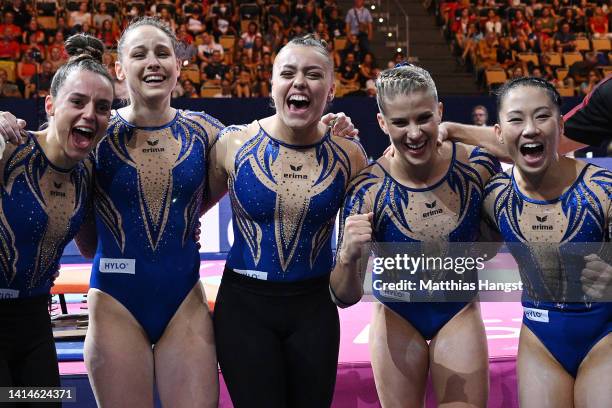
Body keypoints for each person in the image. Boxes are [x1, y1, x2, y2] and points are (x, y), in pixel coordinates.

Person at [206, 35, 367, 408]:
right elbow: (188, 214)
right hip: (243, 310)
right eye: (288, 73)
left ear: (330, 91)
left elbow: (349, 292)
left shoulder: (350, 156)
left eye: (313, 74)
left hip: (315, 310)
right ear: (272, 84)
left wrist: (348, 260)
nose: (299, 83)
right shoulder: (234, 144)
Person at [330, 64, 501, 407]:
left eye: (423, 118)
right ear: (382, 123)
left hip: (458, 312)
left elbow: (493, 245)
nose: (414, 134)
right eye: (400, 122)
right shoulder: (367, 189)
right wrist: (348, 256)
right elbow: (343, 296)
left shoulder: (477, 167)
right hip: (396, 315)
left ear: (440, 112)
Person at [482, 77, 611, 407]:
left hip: (605, 335)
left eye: (542, 116)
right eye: (516, 119)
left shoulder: (603, 188)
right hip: (541, 340)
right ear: (498, 132)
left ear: (560, 124)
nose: (530, 129)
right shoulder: (492, 194)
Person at [0, 33, 114, 401]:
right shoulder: (9, 150)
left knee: (41, 399)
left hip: (35, 323)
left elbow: (90, 246)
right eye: (77, 102)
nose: (89, 114)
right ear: (50, 105)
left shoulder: (86, 176)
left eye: (101, 107)